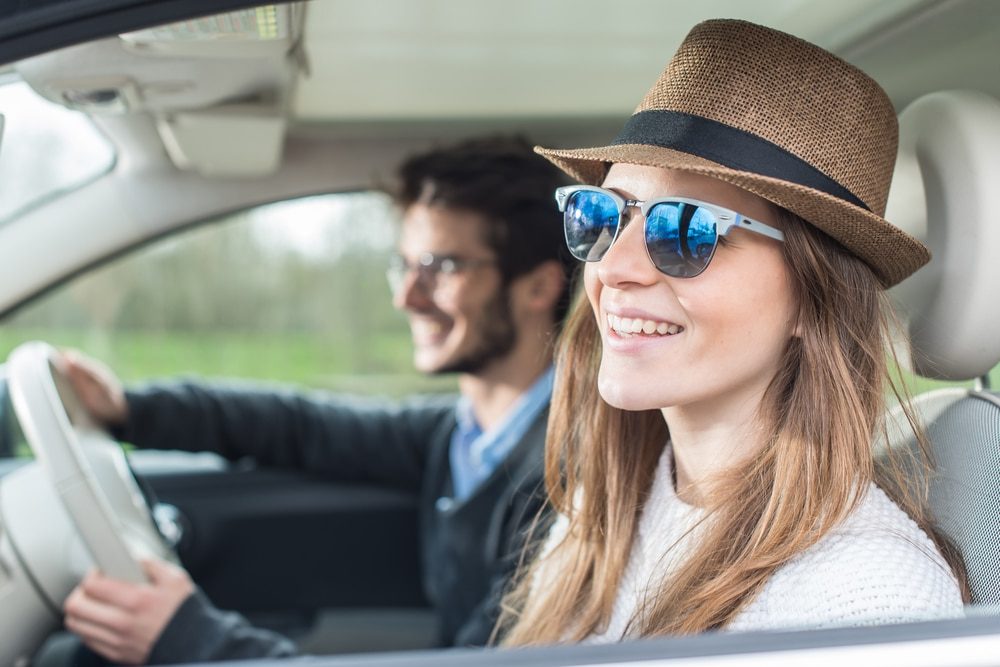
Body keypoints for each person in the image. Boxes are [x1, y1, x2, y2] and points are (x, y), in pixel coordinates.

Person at [495, 19, 968, 645]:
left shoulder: (867, 598)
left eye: (687, 229)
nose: (614, 267)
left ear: (812, 296)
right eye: (603, 215)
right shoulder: (604, 511)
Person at [60, 135, 574, 664]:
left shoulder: (570, 476)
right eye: (406, 266)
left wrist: (190, 639)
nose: (407, 297)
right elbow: (299, 425)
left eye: (442, 267)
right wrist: (129, 408)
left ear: (537, 288)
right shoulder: (464, 432)